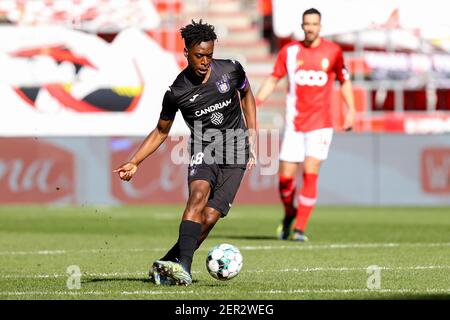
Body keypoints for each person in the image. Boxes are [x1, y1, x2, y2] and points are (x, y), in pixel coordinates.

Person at [113, 20, 257, 286]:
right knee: (198, 196)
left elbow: (247, 94)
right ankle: (185, 270)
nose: (205, 61)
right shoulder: (177, 92)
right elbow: (160, 131)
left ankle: (170, 261)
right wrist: (134, 161)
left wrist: (252, 132)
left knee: (210, 217)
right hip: (205, 148)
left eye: (209, 55)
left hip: (236, 148)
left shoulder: (231, 70)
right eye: (199, 55)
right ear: (187, 53)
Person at [255, 8, 355, 242]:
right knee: (285, 179)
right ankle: (290, 214)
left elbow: (344, 81)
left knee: (310, 172)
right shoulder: (289, 52)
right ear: (302, 26)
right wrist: (257, 102)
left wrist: (351, 110)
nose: (310, 28)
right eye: (306, 24)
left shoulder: (333, 52)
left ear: (320, 26)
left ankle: (300, 228)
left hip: (321, 124)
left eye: (314, 24)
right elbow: (273, 78)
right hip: (294, 124)